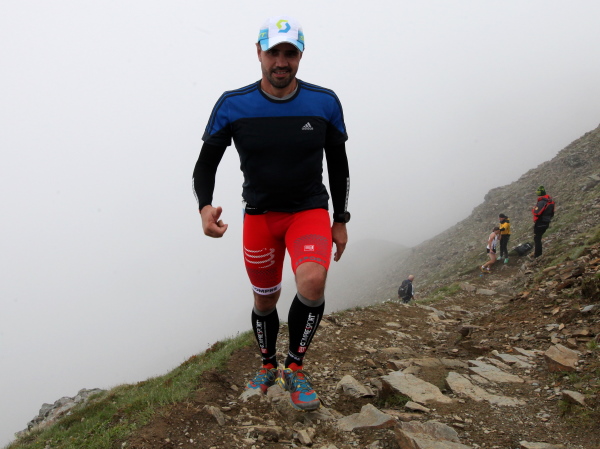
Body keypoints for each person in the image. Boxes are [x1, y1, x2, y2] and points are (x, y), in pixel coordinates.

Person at [192, 15, 350, 412]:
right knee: (265, 300)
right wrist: (205, 206)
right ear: (259, 53)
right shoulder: (233, 104)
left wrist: (341, 219)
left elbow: (339, 165)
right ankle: (267, 365)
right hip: (260, 216)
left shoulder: (324, 102)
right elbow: (204, 165)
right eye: (273, 52)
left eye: (290, 53)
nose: (281, 62)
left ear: (300, 56)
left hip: (308, 211)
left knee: (312, 281)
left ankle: (294, 368)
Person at [532, 186, 555, 258]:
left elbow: (536, 212)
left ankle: (537, 255)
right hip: (546, 221)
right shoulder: (550, 202)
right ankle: (538, 254)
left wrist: (533, 209)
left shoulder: (542, 202)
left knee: (537, 238)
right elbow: (552, 213)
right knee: (538, 237)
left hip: (540, 222)